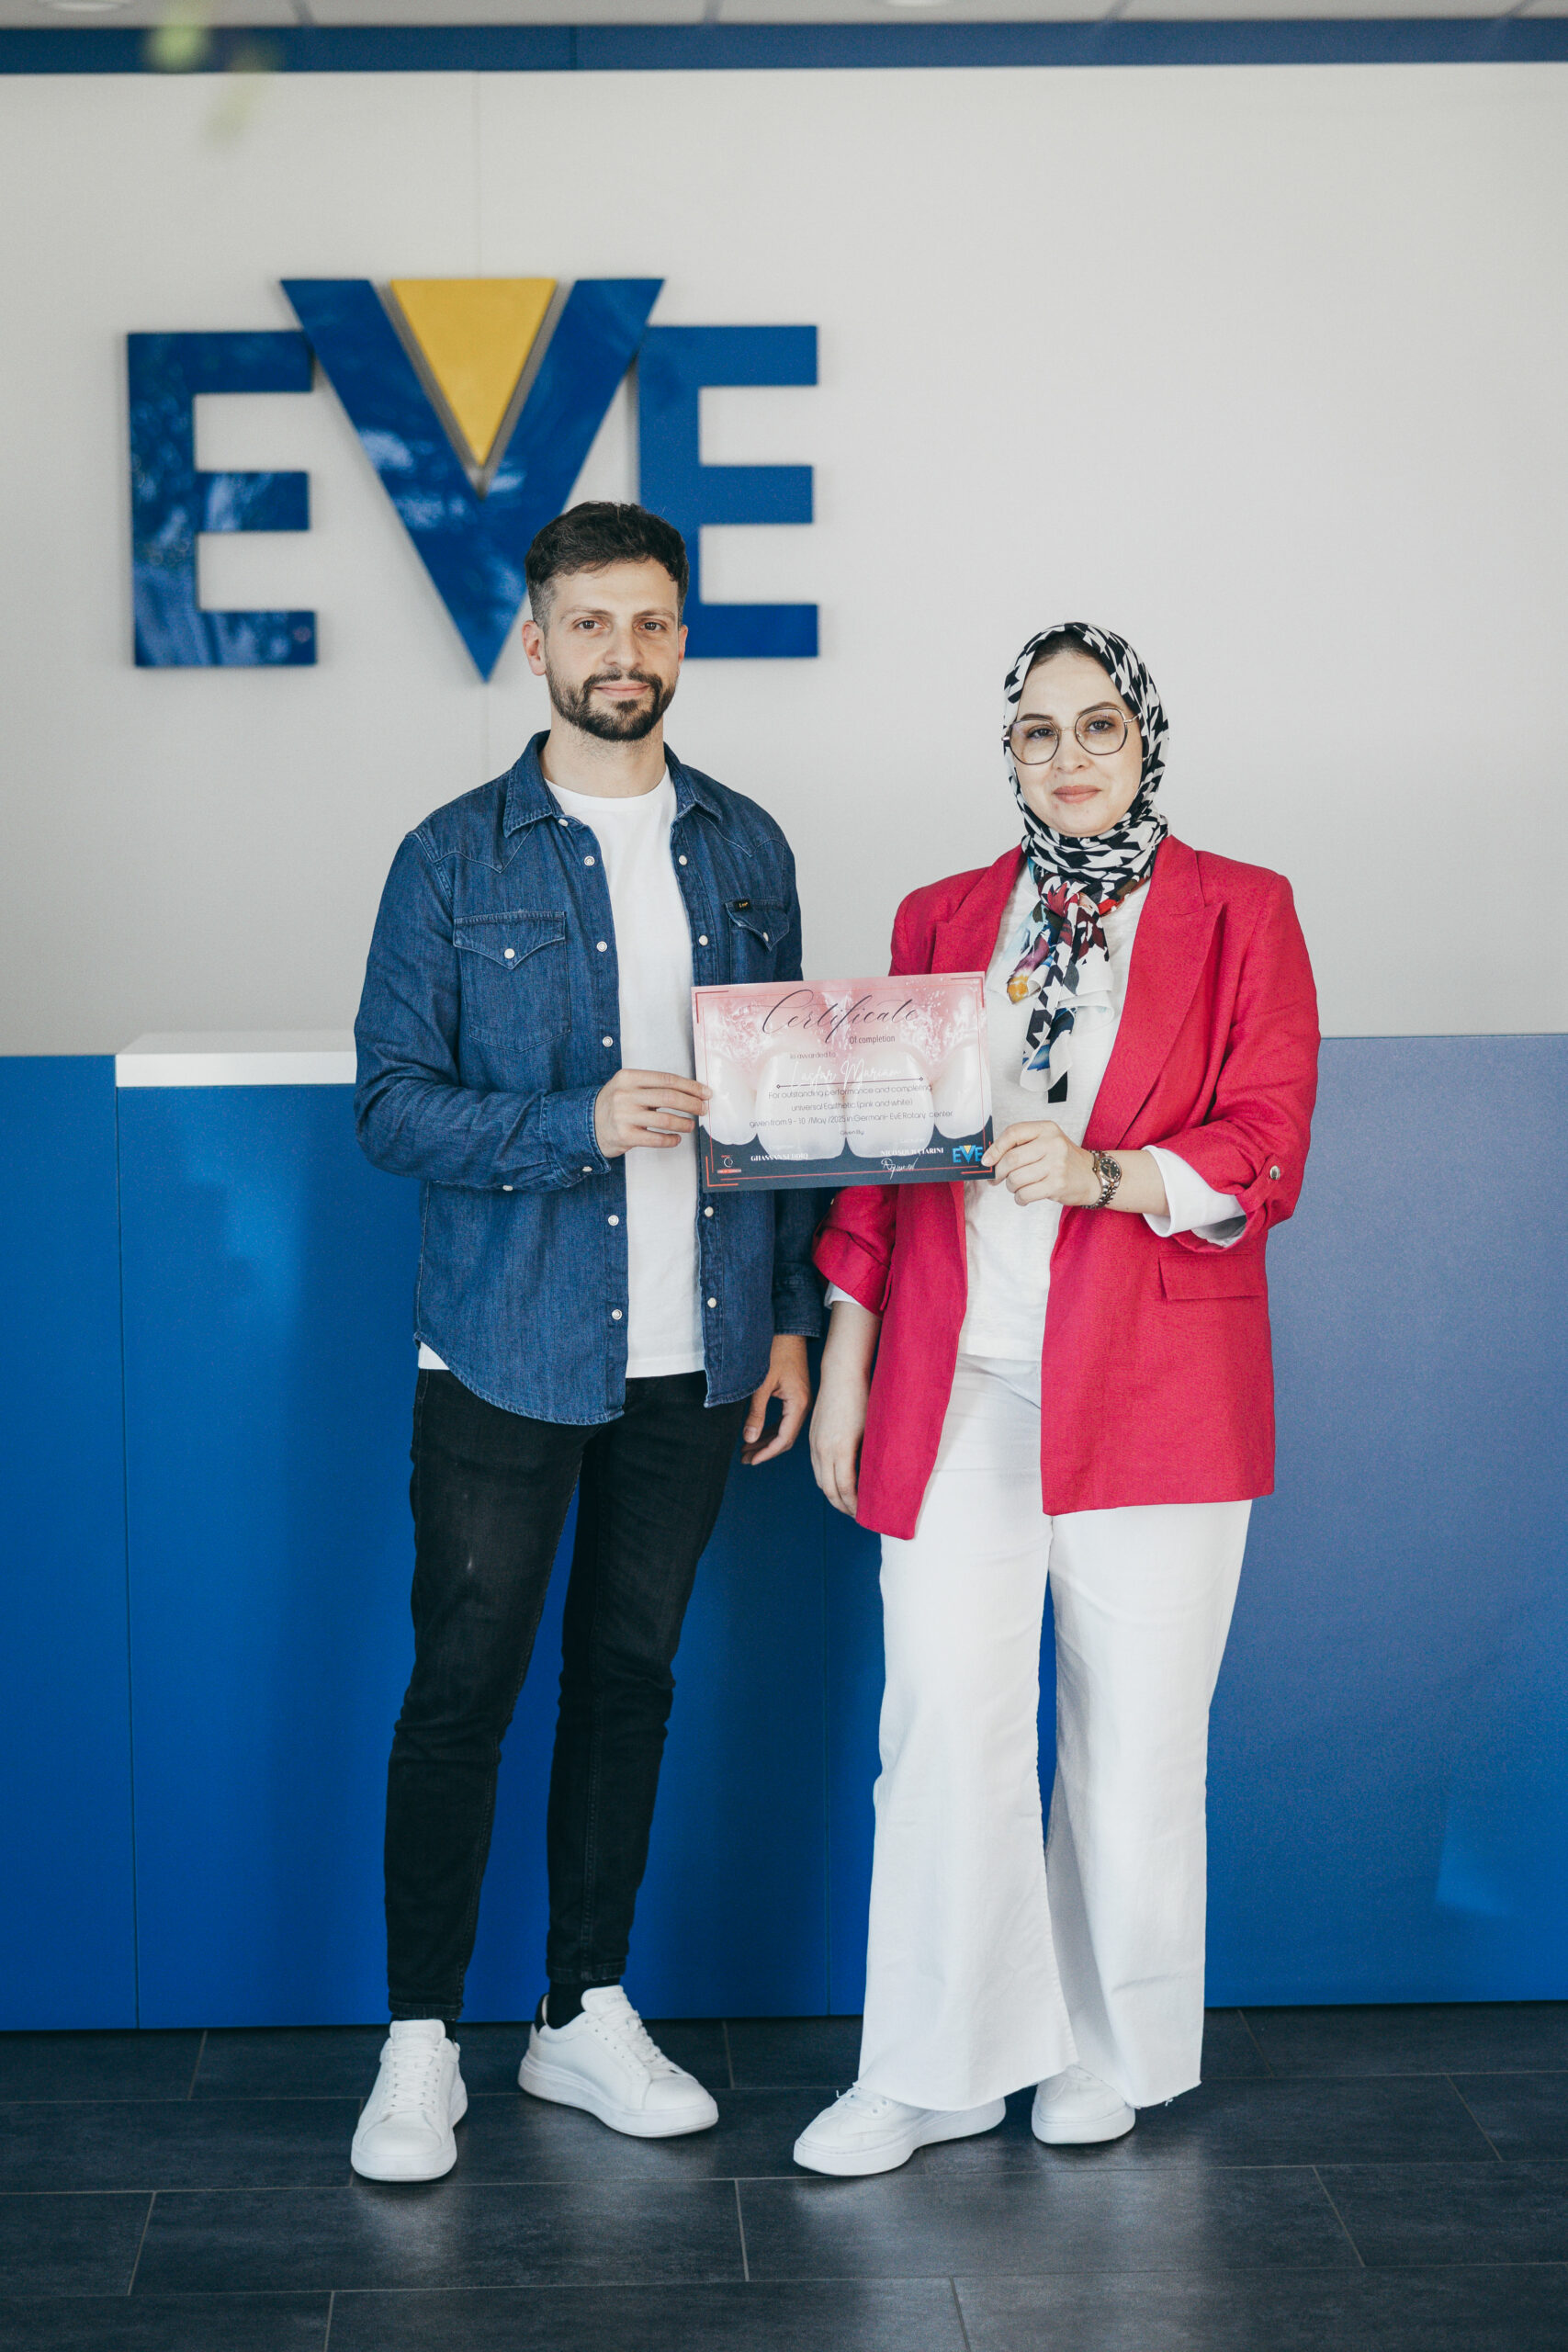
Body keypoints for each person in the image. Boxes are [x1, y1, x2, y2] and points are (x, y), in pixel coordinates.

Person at [796, 622, 1318, 2177]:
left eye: (1100, 726)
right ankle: (934, 2068)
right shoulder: (944, 914)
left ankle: (1110, 2052)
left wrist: (1109, 1174)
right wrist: (846, 1357)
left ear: (1146, 739)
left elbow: (1272, 1135)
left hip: (1160, 1375)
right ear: (1008, 754)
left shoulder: (1243, 909)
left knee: (1135, 1733)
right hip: (959, 1371)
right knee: (940, 1715)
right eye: (1038, 731)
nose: (1070, 755)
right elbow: (882, 1156)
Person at [349, 502, 821, 2182]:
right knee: (461, 1691)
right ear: (536, 641)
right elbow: (388, 1106)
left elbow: (786, 1113)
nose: (627, 653)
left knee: (628, 1683)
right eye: (594, 623)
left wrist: (790, 1322)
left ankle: (580, 2013)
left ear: (681, 638)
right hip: (503, 1345)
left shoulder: (749, 848)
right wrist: (579, 1121)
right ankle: (420, 2044)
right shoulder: (449, 856)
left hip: (699, 1353)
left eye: (654, 622)